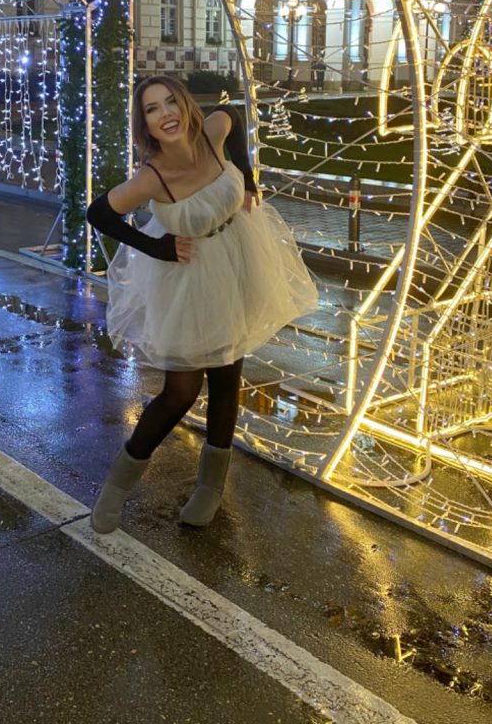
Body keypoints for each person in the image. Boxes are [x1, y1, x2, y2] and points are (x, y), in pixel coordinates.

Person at [86, 75, 318, 533]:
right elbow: (100, 213)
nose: (166, 114)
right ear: (145, 124)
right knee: (181, 392)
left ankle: (210, 486)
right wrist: (157, 247)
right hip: (189, 279)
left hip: (237, 260)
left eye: (171, 102)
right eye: (153, 109)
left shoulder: (212, 134)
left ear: (186, 105)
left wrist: (246, 178)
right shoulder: (152, 177)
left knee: (228, 377)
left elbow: (232, 114)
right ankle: (116, 486)